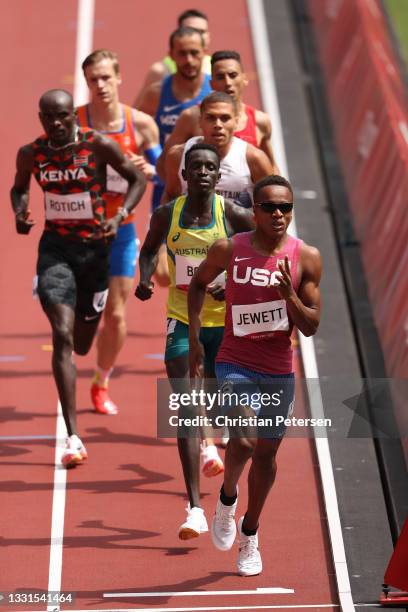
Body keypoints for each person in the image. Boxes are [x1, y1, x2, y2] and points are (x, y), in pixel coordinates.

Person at [188, 175, 322, 575]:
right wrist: (195, 338)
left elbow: (312, 325)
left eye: (285, 207)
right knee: (243, 441)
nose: (278, 214)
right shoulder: (229, 249)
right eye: (269, 207)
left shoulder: (307, 257)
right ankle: (227, 499)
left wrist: (289, 296)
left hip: (279, 367)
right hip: (234, 359)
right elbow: (196, 285)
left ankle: (250, 533)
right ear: (254, 211)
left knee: (267, 455)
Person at [10, 89, 146, 468]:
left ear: (74, 117)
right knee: (63, 335)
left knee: (85, 342)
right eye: (48, 117)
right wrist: (21, 213)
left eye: (63, 116)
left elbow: (137, 180)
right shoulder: (31, 153)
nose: (55, 124)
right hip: (55, 251)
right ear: (41, 118)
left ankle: (87, 371)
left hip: (96, 254)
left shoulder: (96, 145)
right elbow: (19, 189)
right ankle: (72, 436)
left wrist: (120, 217)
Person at [135, 143, 254, 539]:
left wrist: (227, 279)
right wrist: (145, 278)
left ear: (219, 176)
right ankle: (194, 508)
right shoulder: (167, 214)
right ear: (185, 174)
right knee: (186, 407)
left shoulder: (232, 214)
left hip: (228, 324)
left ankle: (227, 498)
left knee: (227, 413)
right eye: (195, 166)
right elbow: (149, 250)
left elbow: (259, 255)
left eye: (210, 167)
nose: (203, 172)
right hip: (183, 318)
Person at [77, 49, 161, 416]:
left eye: (106, 78)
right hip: (77, 236)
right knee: (82, 316)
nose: (100, 85)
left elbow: (164, 171)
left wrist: (147, 168)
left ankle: (101, 380)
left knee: (115, 315)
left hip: (121, 233)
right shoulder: (74, 122)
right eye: (93, 79)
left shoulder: (140, 125)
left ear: (119, 78)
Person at [138, 25, 213, 284]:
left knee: (202, 269)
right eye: (182, 53)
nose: (189, 60)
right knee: (162, 275)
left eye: (195, 53)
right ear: (171, 54)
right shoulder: (157, 93)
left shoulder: (215, 95)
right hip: (167, 187)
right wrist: (143, 164)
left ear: (204, 53)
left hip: (206, 190)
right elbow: (133, 129)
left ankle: (192, 315)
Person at [159, 50, 276, 166]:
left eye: (233, 75)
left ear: (244, 79)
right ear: (211, 84)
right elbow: (163, 164)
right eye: (220, 77)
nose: (228, 82)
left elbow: (271, 168)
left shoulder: (260, 121)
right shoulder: (191, 117)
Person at [163, 92, 276, 208]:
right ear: (200, 121)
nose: (218, 125)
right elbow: (170, 195)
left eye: (225, 118)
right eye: (211, 118)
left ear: (236, 122)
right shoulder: (178, 155)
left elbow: (274, 204)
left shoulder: (255, 159)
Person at [134, 9, 212, 108]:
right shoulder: (160, 71)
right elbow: (138, 113)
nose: (195, 36)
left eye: (202, 32)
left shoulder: (217, 68)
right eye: (189, 30)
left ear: (208, 36)